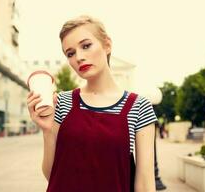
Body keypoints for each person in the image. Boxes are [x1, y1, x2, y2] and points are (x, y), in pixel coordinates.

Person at [27, 15, 157, 192]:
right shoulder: (62, 102)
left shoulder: (138, 106)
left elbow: (144, 183)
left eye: (86, 46)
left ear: (107, 45)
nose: (79, 57)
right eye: (70, 53)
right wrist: (48, 131)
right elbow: (53, 176)